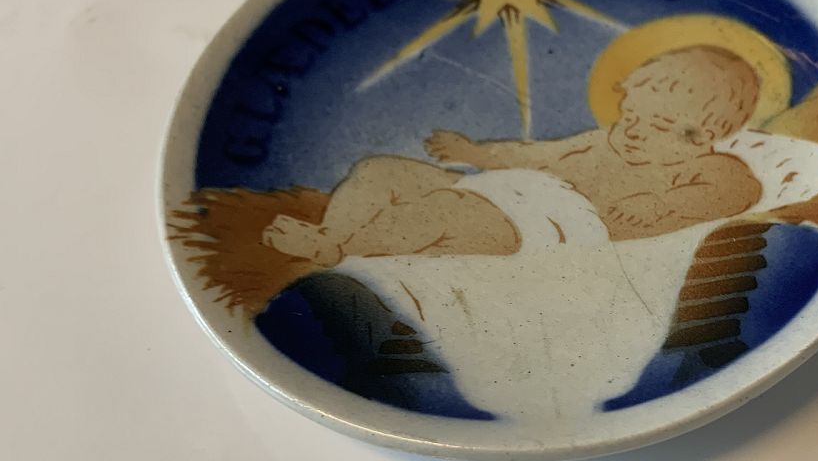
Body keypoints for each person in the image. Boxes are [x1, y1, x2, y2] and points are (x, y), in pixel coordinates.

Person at [262, 45, 764, 265]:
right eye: (630, 116)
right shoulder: (601, 141)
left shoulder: (711, 169)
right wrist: (477, 154)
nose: (632, 132)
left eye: (658, 127)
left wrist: (661, 205)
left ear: (702, 136)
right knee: (381, 170)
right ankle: (330, 234)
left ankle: (346, 249)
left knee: (442, 212)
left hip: (543, 224)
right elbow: (536, 155)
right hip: (505, 191)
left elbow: (735, 193)